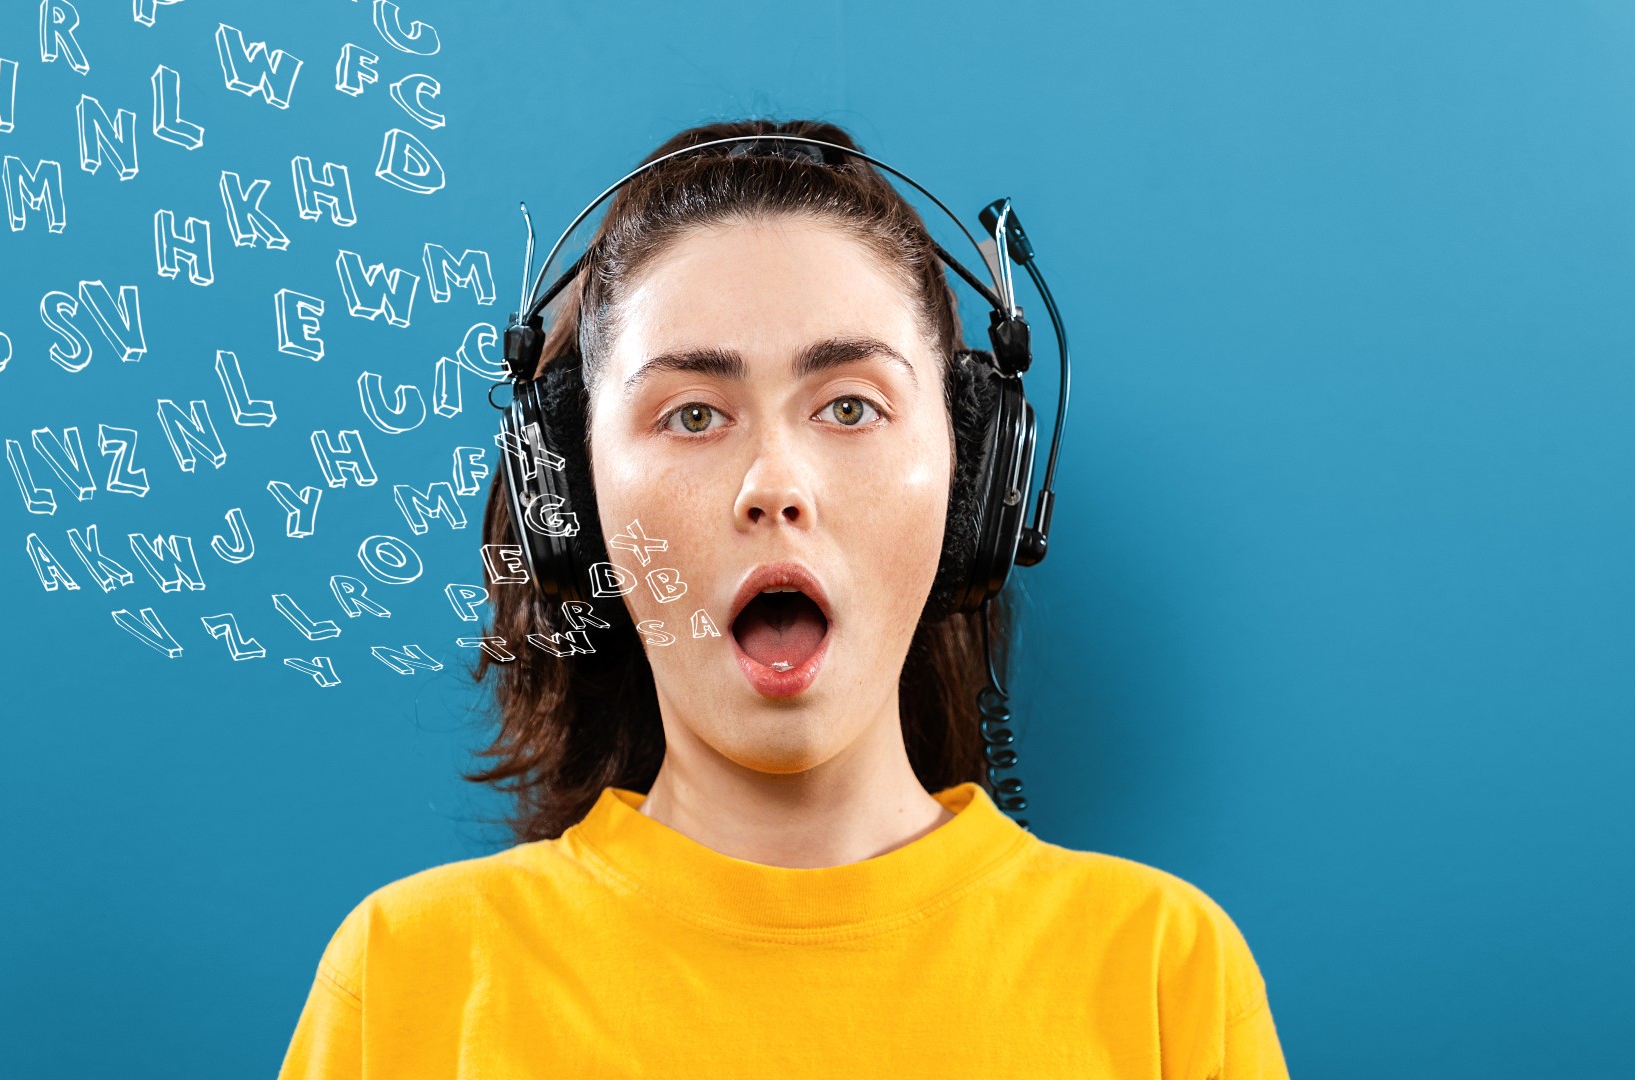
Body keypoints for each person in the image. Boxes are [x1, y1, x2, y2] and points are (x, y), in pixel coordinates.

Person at [276, 118, 1288, 1078]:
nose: (774, 486)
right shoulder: (410, 981)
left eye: (850, 406)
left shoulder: (1164, 973)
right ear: (571, 498)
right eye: (692, 414)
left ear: (975, 480)